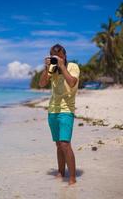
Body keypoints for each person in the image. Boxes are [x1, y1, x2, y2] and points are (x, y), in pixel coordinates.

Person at [39, 43, 80, 185]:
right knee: (58, 144)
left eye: (58, 56)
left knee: (65, 144)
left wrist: (62, 66)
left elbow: (72, 82)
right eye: (53, 56)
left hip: (67, 109)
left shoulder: (73, 66)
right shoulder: (51, 69)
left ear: (64, 56)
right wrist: (46, 68)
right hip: (52, 110)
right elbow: (42, 83)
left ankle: (73, 177)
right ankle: (61, 172)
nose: (56, 59)